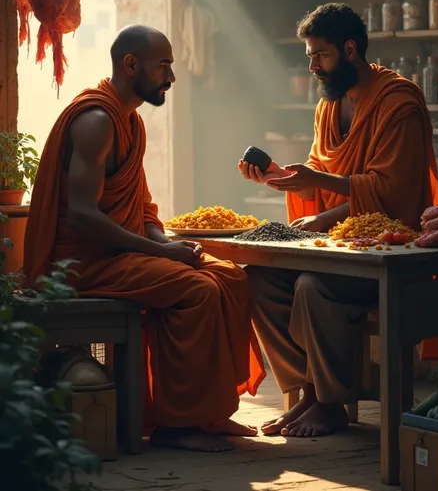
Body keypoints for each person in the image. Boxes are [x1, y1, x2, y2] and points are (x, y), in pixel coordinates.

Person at [24, 25, 265, 453]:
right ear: (130, 64)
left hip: (119, 252)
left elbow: (143, 209)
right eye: (164, 66)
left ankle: (208, 415)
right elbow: (81, 217)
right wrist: (158, 250)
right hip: (84, 261)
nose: (171, 77)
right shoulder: (97, 121)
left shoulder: (130, 121)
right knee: (196, 290)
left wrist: (165, 241)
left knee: (230, 277)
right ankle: (177, 424)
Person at [238, 3, 438, 438]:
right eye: (309, 56)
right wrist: (281, 178)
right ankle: (310, 393)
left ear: (350, 49)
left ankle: (329, 404)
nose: (313, 66)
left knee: (310, 286)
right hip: (335, 245)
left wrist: (318, 218)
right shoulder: (329, 107)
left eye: (320, 55)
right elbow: (318, 180)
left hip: (387, 248)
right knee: (258, 278)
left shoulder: (398, 102)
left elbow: (390, 191)